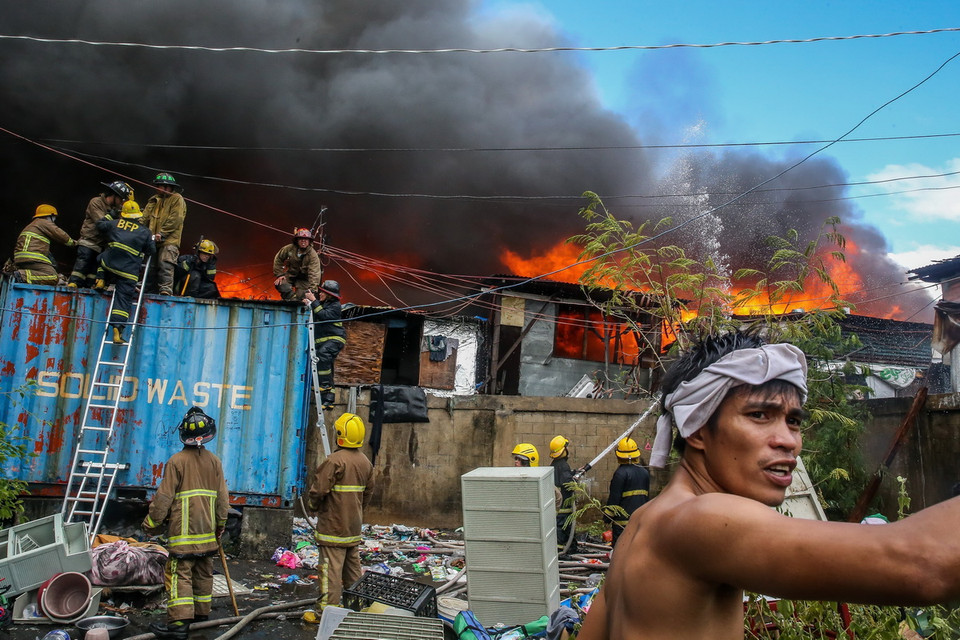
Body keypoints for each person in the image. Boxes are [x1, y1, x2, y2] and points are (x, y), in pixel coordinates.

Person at [578, 330, 960, 640]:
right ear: (696, 429)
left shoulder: (645, 521)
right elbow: (924, 564)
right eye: (759, 415)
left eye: (793, 421)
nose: (789, 440)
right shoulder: (705, 518)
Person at [142, 407, 229, 640]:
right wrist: (221, 525)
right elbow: (223, 500)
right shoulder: (215, 462)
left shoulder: (176, 462)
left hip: (183, 537)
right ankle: (201, 618)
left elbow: (163, 499)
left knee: (180, 577)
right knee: (203, 575)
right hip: (208, 535)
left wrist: (151, 524)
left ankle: (179, 626)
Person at [302, 413, 375, 622]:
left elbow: (318, 491)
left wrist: (312, 507)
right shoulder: (365, 463)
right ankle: (358, 608)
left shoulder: (334, 461)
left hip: (333, 527)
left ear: (341, 435)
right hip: (353, 527)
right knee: (353, 570)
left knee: (330, 573)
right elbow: (367, 495)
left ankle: (324, 615)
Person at [95, 201, 156, 344]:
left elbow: (99, 225)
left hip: (110, 264)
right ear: (137, 216)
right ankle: (117, 331)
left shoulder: (115, 223)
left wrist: (111, 215)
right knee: (123, 300)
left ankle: (100, 279)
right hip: (128, 272)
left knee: (100, 258)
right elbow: (151, 251)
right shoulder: (145, 231)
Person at [68, 180, 132, 288]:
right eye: (121, 198)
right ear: (114, 195)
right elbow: (100, 222)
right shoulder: (96, 202)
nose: (122, 202)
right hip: (89, 241)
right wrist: (113, 217)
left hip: (102, 245)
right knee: (82, 265)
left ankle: (89, 288)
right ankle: (73, 283)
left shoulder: (116, 209)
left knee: (93, 272)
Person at [142, 172, 187, 295]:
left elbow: (175, 219)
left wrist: (162, 233)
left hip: (169, 241)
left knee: (165, 264)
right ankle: (147, 288)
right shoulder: (154, 200)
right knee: (150, 266)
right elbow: (144, 217)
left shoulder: (177, 199)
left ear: (167, 186)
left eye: (159, 186)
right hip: (153, 239)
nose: (157, 188)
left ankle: (165, 290)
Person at [304, 280, 346, 409]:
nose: (320, 294)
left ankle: (326, 386)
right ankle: (328, 399)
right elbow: (317, 312)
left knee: (323, 354)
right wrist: (309, 304)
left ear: (329, 294)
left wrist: (314, 301)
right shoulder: (324, 304)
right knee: (326, 364)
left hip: (335, 339)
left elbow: (324, 315)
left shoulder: (335, 305)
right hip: (326, 341)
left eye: (322, 292)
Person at [10, 204, 76, 285]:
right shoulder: (43, 222)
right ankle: (22, 275)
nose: (54, 220)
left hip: (21, 258)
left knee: (41, 274)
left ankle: (22, 273)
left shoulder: (32, 225)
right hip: (32, 257)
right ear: (50, 216)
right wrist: (75, 243)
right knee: (52, 277)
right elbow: (61, 235)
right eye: (54, 217)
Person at [606, 437, 649, 546]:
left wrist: (607, 517)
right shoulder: (645, 472)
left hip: (622, 524)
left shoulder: (620, 474)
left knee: (620, 551)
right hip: (640, 522)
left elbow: (614, 500)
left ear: (619, 455)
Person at [273, 227, 321, 301]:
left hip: (304, 279)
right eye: (301, 239)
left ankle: (296, 301)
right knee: (280, 283)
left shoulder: (312, 255)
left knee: (302, 297)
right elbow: (278, 259)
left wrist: (313, 290)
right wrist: (280, 274)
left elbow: (314, 274)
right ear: (297, 240)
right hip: (291, 275)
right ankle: (292, 299)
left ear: (309, 241)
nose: (303, 241)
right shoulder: (289, 248)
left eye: (306, 239)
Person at [549, 435, 576, 553]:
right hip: (564, 509)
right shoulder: (564, 465)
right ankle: (561, 554)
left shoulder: (555, 464)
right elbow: (567, 484)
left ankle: (565, 550)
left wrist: (573, 473)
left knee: (561, 531)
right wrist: (575, 482)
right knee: (563, 533)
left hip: (558, 508)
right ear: (564, 450)